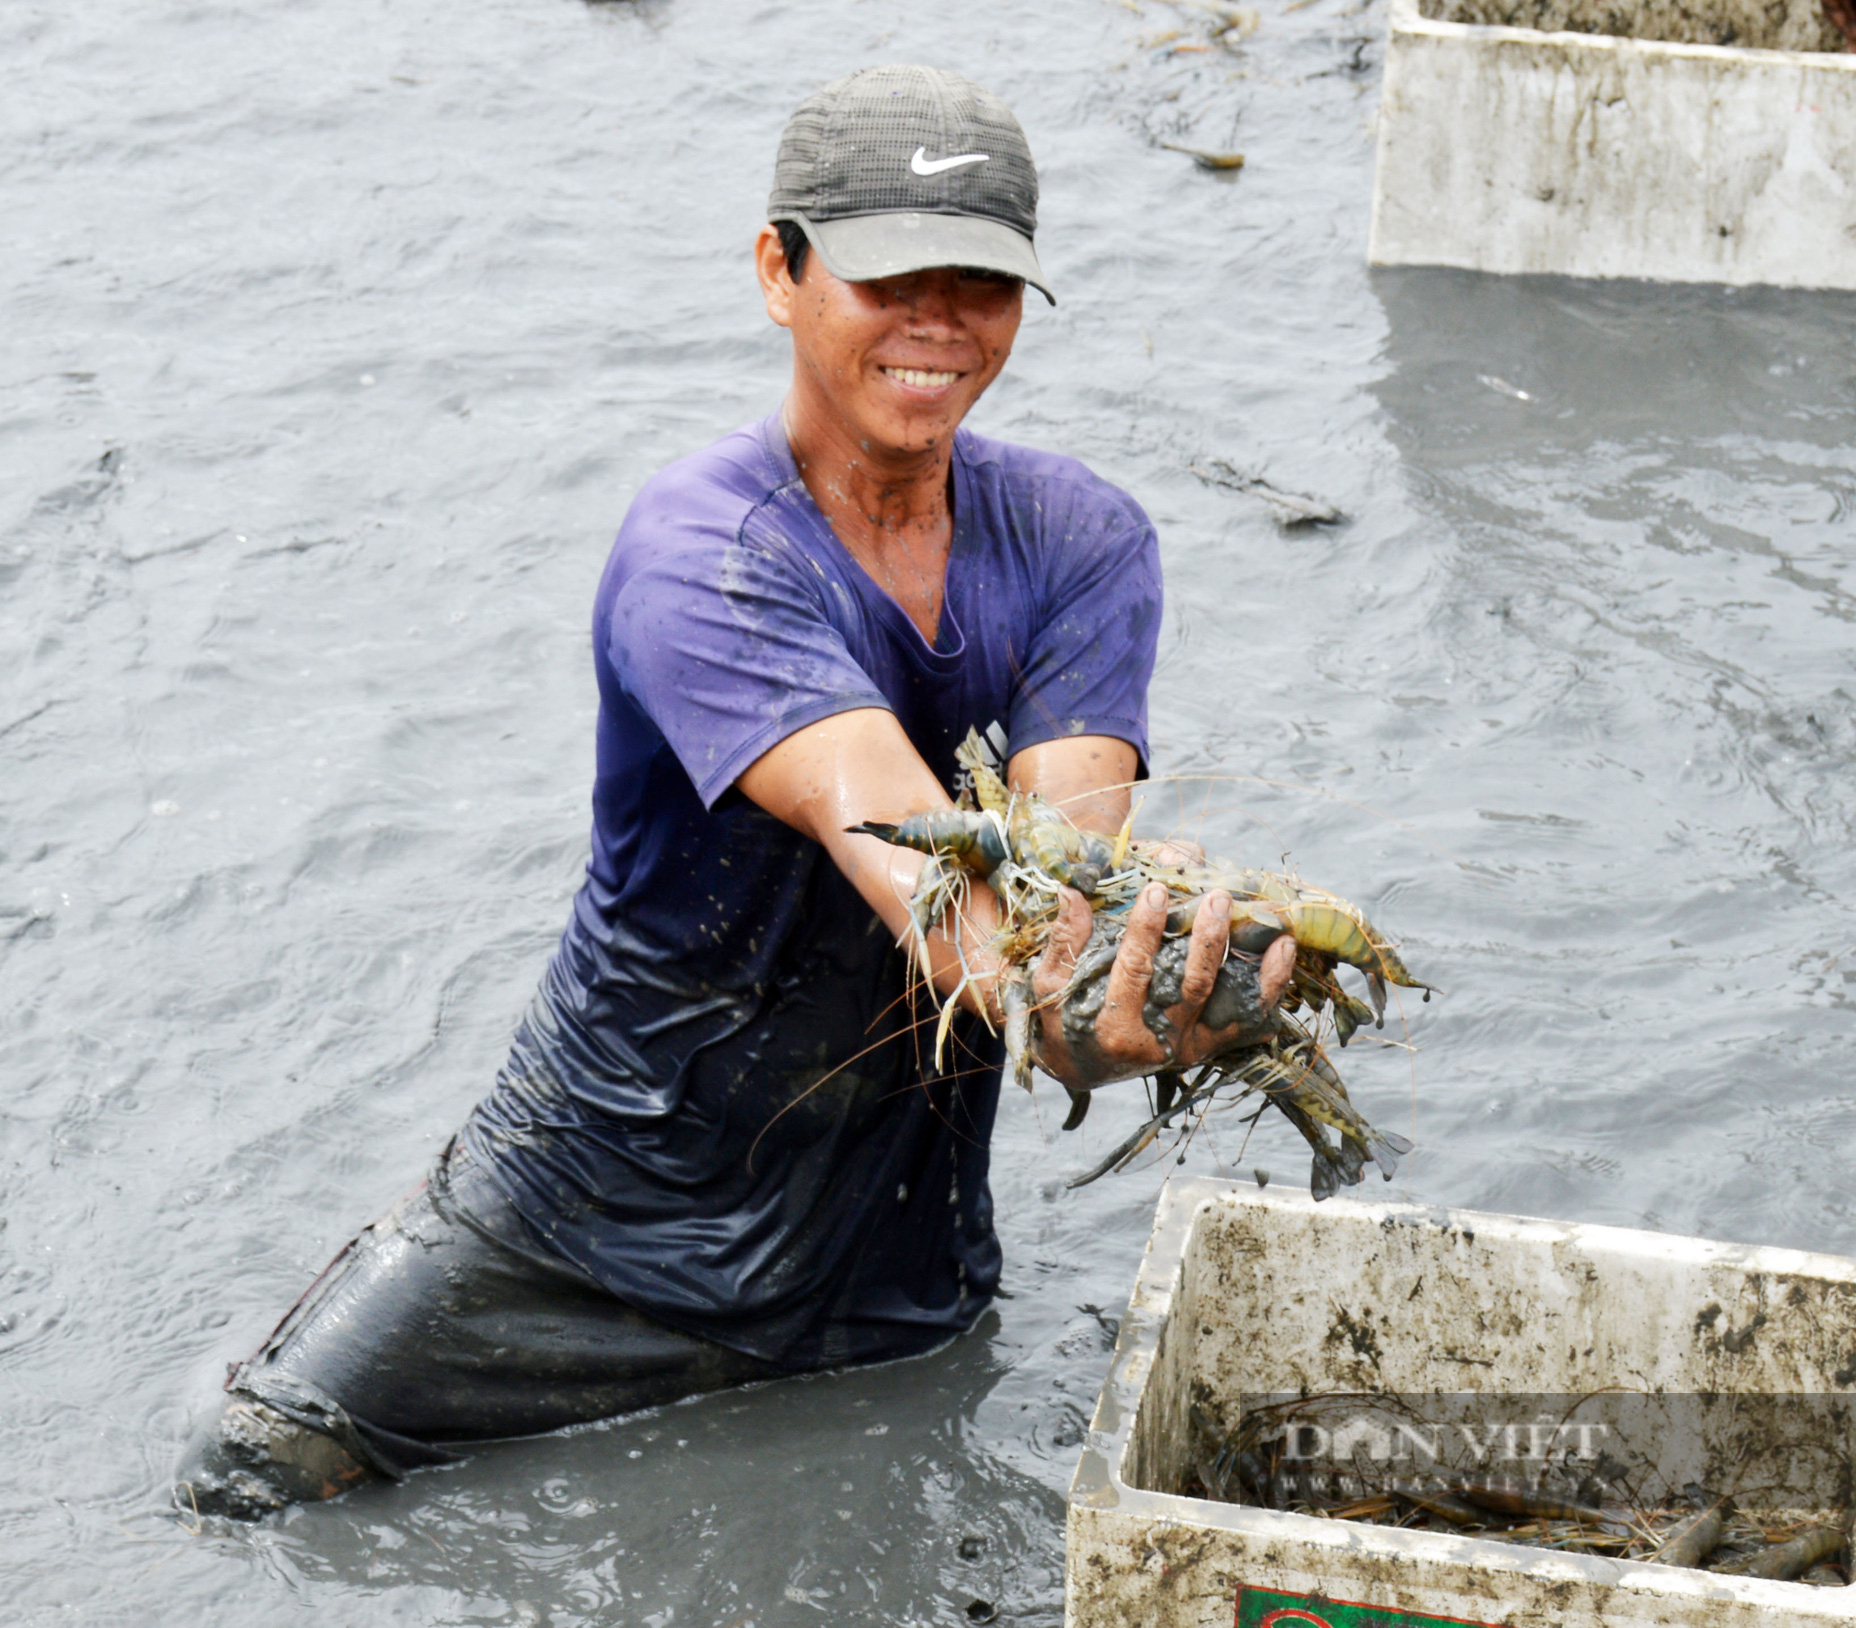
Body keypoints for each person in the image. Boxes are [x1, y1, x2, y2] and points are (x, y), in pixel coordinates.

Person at [178, 63, 1294, 1520]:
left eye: (983, 280)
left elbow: (1054, 909)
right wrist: (1050, 988)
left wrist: (1153, 998)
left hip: (896, 1281)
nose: (939, 324)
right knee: (250, 1469)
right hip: (576, 1247)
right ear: (780, 269)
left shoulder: (1082, 542)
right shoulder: (702, 554)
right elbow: (937, 888)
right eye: (892, 274)